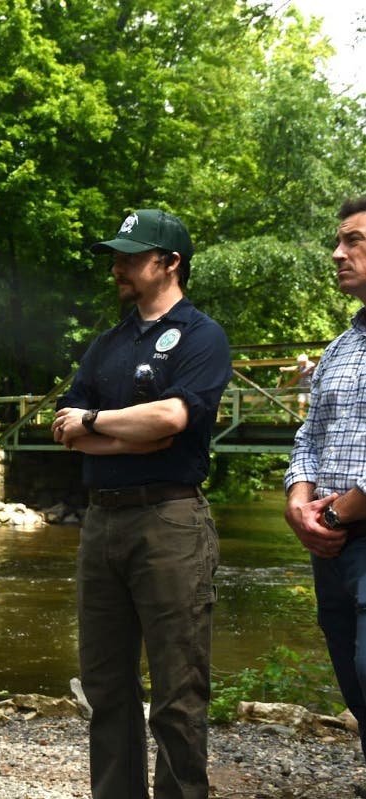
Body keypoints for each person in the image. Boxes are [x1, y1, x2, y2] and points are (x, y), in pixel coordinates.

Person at [51, 209, 231, 799]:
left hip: (170, 521)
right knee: (106, 688)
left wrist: (101, 421)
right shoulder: (107, 344)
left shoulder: (201, 335)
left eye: (131, 255)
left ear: (170, 262)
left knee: (178, 693)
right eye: (117, 255)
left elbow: (173, 417)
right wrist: (134, 431)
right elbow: (65, 427)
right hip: (102, 522)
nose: (117, 266)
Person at [284, 196, 366, 761]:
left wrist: (339, 512)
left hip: (351, 530)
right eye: (337, 241)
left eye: (353, 241)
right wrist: (298, 502)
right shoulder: (338, 348)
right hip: (331, 544)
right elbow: (307, 436)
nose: (337, 253)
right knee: (354, 682)